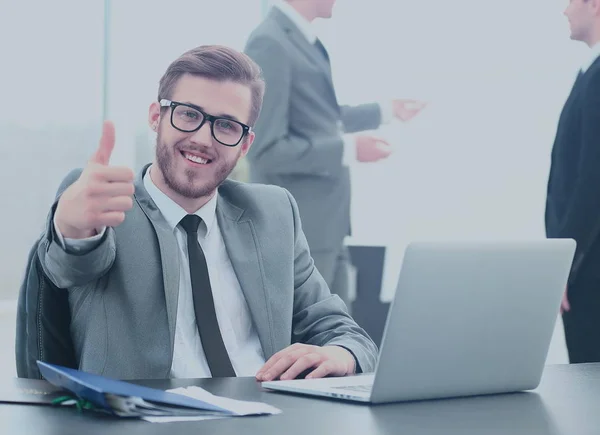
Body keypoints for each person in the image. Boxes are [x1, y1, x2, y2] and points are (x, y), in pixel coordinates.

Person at [37, 45, 377, 380]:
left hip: (266, 415)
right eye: (188, 114)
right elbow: (69, 268)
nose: (203, 138)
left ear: (245, 144)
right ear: (157, 117)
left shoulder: (274, 214)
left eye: (227, 125)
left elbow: (343, 332)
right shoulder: (106, 203)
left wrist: (339, 353)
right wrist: (72, 230)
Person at [244, 0, 426, 309]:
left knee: (338, 337)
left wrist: (384, 111)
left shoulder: (298, 40)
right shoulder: (270, 43)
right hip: (302, 229)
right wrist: (349, 149)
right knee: (311, 339)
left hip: (327, 225)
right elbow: (265, 150)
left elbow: (318, 115)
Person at [545, 0, 600, 363]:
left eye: (570, 1)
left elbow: (592, 180)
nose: (564, 10)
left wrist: (565, 259)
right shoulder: (589, 73)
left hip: (590, 272)